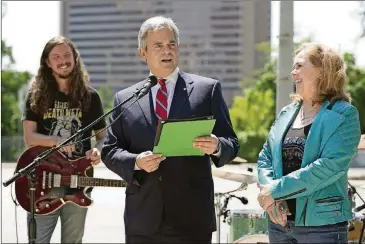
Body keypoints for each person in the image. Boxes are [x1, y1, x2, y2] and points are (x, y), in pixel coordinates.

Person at [101, 16, 239, 243]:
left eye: (171, 44)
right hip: (143, 219)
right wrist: (136, 161)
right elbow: (110, 151)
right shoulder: (125, 99)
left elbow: (231, 144)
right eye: (158, 45)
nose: (167, 50)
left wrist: (216, 145)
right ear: (143, 53)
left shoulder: (207, 90)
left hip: (192, 220)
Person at [257, 42, 361, 243]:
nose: (293, 72)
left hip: (322, 228)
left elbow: (328, 167)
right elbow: (265, 157)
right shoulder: (287, 112)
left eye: (299, 66)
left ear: (322, 71)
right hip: (279, 223)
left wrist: (275, 190)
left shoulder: (344, 114)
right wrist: (271, 199)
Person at [22, 36, 107, 243]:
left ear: (75, 58)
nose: (63, 60)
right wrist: (56, 141)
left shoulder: (91, 97)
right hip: (43, 180)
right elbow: (29, 138)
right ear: (47, 62)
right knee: (38, 241)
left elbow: (102, 137)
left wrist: (98, 151)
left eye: (67, 55)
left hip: (79, 181)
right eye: (56, 56)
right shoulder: (36, 95)